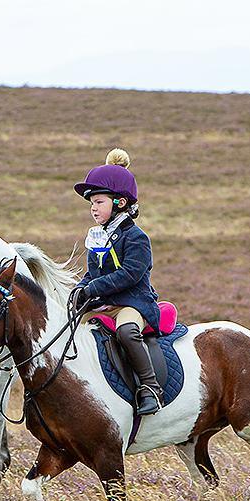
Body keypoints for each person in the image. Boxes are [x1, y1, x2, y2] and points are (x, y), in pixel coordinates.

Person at [71, 149, 163, 415]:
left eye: (99, 202)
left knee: (126, 332)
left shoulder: (136, 238)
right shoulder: (98, 238)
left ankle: (150, 388)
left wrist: (93, 289)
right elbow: (92, 274)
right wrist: (80, 288)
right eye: (92, 203)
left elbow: (130, 275)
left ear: (120, 203)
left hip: (133, 304)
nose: (93, 208)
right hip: (104, 304)